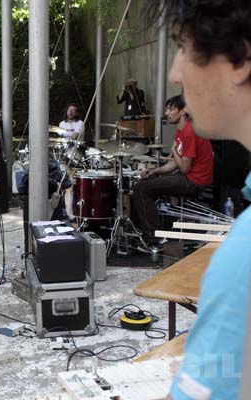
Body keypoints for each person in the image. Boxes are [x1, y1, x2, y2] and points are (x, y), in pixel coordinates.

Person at [145, 1, 251, 398]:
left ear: (240, 57)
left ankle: (154, 233)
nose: (175, 72)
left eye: (183, 46)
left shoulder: (243, 256)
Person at [131, 94, 213, 250]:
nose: (167, 113)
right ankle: (155, 230)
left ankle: (155, 240)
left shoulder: (189, 132)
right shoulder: (181, 131)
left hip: (194, 181)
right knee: (146, 183)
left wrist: (174, 149)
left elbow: (184, 168)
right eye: (167, 109)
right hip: (187, 176)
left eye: (171, 109)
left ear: (182, 111)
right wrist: (154, 171)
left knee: (140, 189)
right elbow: (175, 164)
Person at [57, 103, 84, 220]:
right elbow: (60, 136)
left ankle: (70, 212)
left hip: (75, 155)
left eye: (74, 110)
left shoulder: (80, 123)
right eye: (69, 110)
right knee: (60, 182)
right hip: (63, 155)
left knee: (70, 185)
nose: (71, 112)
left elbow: (74, 136)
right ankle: (60, 209)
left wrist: (66, 133)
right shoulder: (61, 124)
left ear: (77, 113)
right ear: (66, 111)